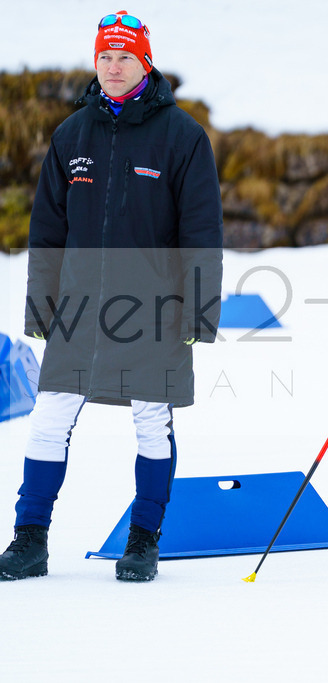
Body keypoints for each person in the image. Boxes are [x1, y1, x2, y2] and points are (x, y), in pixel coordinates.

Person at [0, 11, 223, 582]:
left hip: (154, 313)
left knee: (152, 422)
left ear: (144, 62)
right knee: (47, 421)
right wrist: (40, 303)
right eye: (105, 57)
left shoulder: (183, 137)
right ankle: (30, 540)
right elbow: (47, 231)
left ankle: (143, 541)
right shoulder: (71, 135)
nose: (114, 68)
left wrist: (201, 308)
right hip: (76, 308)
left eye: (125, 57)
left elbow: (202, 232)